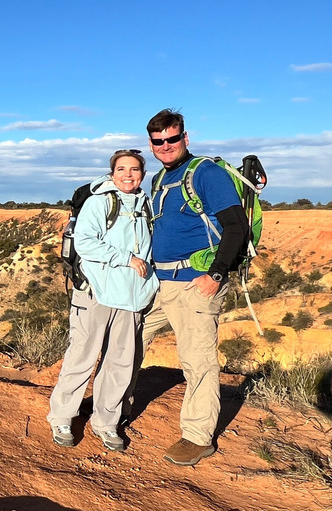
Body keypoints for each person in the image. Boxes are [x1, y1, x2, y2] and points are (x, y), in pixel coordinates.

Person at [142, 108, 250, 466]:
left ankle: (198, 437)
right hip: (159, 282)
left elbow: (236, 226)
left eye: (172, 139)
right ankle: (112, 406)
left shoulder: (206, 173)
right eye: (158, 141)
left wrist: (215, 275)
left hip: (195, 283)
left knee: (197, 360)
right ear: (152, 144)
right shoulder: (160, 178)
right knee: (129, 341)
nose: (166, 145)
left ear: (185, 138)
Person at [47, 149, 159, 452]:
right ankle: (62, 417)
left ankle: (106, 423)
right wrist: (125, 258)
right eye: (121, 169)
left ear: (143, 174)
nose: (128, 174)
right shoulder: (100, 202)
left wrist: (150, 282)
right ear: (112, 173)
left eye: (134, 169)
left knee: (120, 363)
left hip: (131, 296)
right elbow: (84, 242)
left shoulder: (145, 204)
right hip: (96, 291)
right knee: (81, 357)